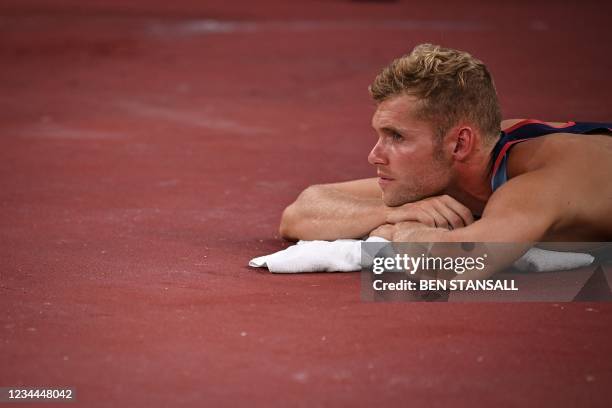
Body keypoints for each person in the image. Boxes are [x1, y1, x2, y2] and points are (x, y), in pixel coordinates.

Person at [279, 44, 611, 272]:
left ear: (459, 144)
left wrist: (401, 230)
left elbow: (461, 265)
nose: (374, 156)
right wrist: (394, 212)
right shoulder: (459, 167)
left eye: (397, 136)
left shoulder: (537, 182)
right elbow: (299, 214)